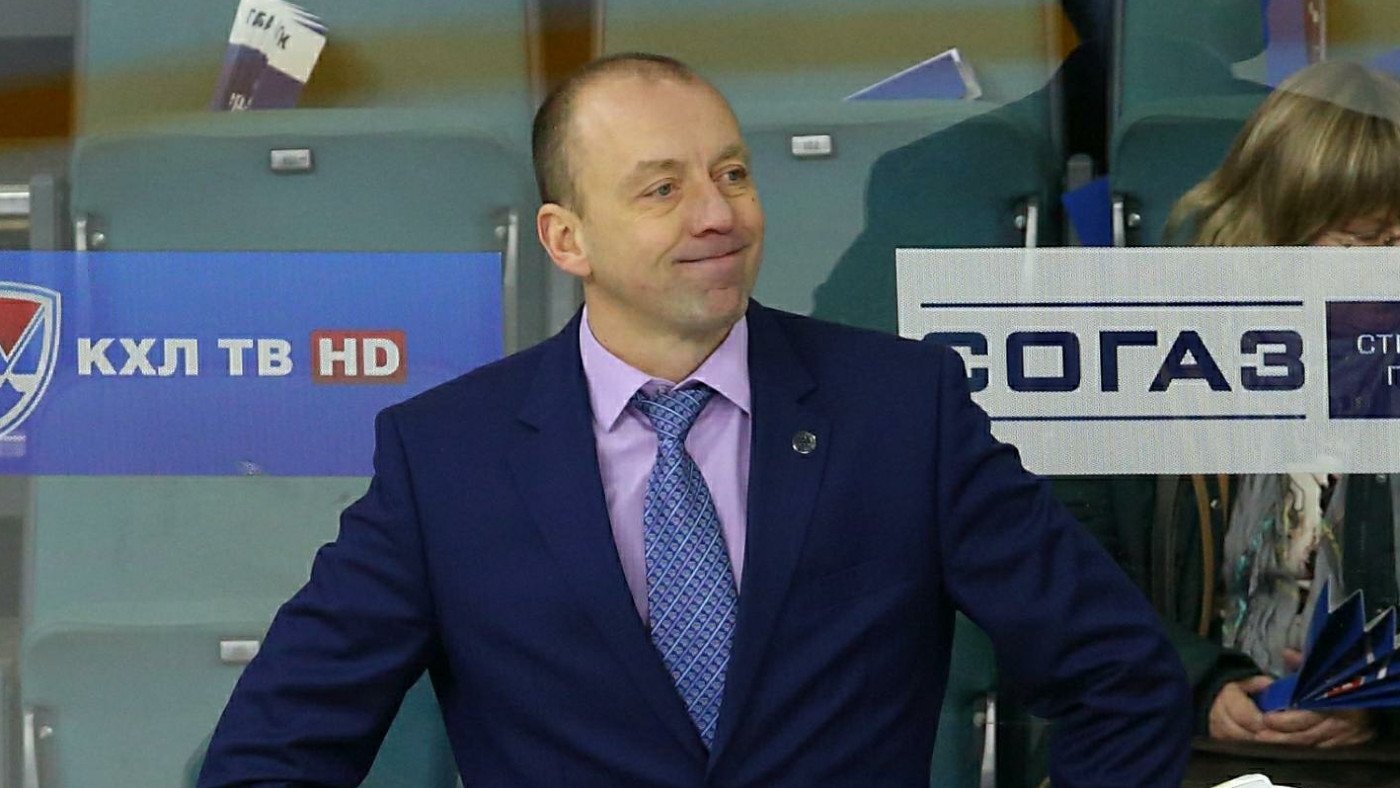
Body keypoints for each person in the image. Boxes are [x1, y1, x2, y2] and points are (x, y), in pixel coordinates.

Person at [197, 53, 1190, 786]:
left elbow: (1120, 677)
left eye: (733, 174)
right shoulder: (447, 458)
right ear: (566, 239)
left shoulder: (902, 410)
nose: (717, 214)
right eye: (663, 188)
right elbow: (273, 752)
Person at [1162, 60, 1400, 749]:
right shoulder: (1157, 365)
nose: (1390, 266)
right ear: (1272, 235)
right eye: (1360, 241)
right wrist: (1198, 685)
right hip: (1193, 743)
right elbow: (1084, 582)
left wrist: (1380, 697)